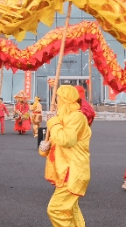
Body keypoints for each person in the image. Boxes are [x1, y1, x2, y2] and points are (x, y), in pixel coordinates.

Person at [38, 85, 91, 227]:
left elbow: (66, 140)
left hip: (72, 171)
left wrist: (53, 121)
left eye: (58, 98)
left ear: (66, 100)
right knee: (70, 210)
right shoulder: (61, 117)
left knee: (56, 210)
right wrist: (44, 148)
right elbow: (55, 144)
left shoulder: (77, 117)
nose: (55, 102)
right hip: (64, 171)